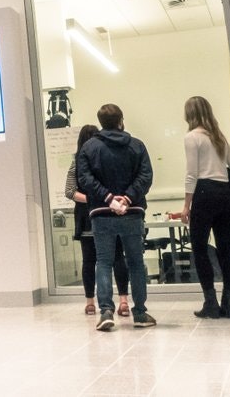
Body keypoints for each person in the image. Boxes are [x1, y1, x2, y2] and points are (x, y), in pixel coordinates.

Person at [75, 104, 157, 330]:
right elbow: (146, 176)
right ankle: (140, 314)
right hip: (132, 213)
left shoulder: (89, 148)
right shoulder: (137, 145)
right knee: (135, 263)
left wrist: (108, 198)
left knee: (103, 261)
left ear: (101, 122)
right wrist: (127, 199)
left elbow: (84, 179)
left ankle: (106, 313)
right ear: (121, 120)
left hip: (101, 214)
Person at [183, 95, 230, 319]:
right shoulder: (220, 137)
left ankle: (210, 302)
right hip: (225, 193)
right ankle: (228, 303)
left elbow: (192, 174)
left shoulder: (192, 137)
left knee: (199, 248)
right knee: (226, 250)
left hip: (203, 193)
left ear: (189, 114)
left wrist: (186, 205)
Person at [65, 124, 132, 316]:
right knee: (117, 257)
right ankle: (124, 301)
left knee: (90, 261)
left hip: (87, 216)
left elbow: (70, 191)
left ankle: (90, 302)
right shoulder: (105, 159)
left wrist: (91, 198)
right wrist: (103, 199)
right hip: (108, 212)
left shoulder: (77, 161)